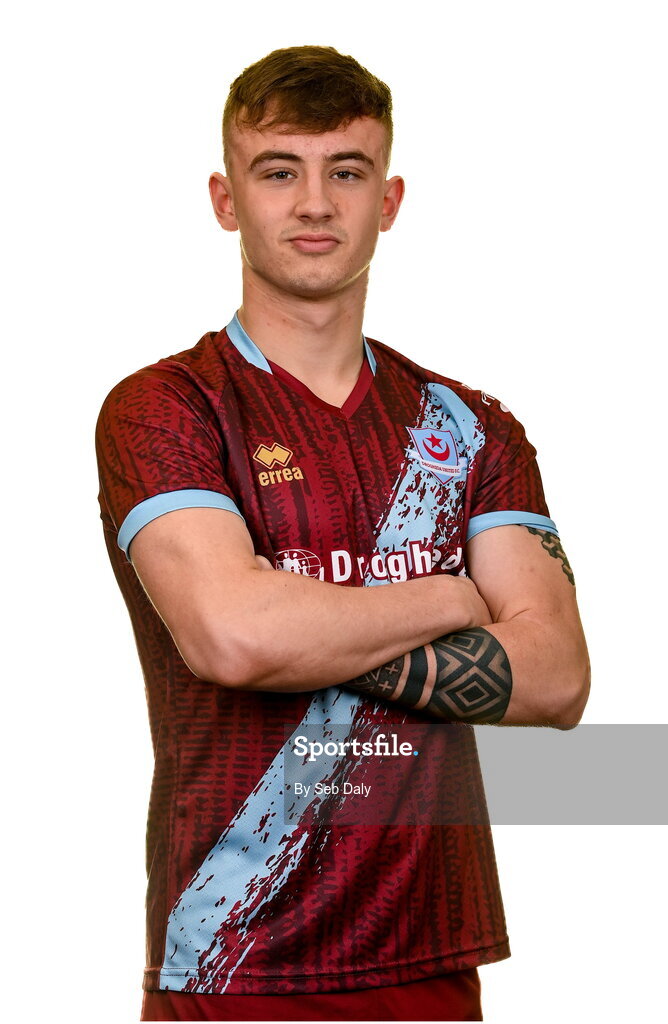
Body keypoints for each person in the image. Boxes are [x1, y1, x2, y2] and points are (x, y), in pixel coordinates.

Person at [95, 44, 590, 1022]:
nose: (313, 203)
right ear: (225, 198)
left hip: (428, 949)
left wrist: (294, 609)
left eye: (345, 171)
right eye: (279, 170)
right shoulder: (165, 408)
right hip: (233, 959)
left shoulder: (468, 426)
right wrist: (450, 596)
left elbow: (557, 676)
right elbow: (229, 635)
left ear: (388, 199)